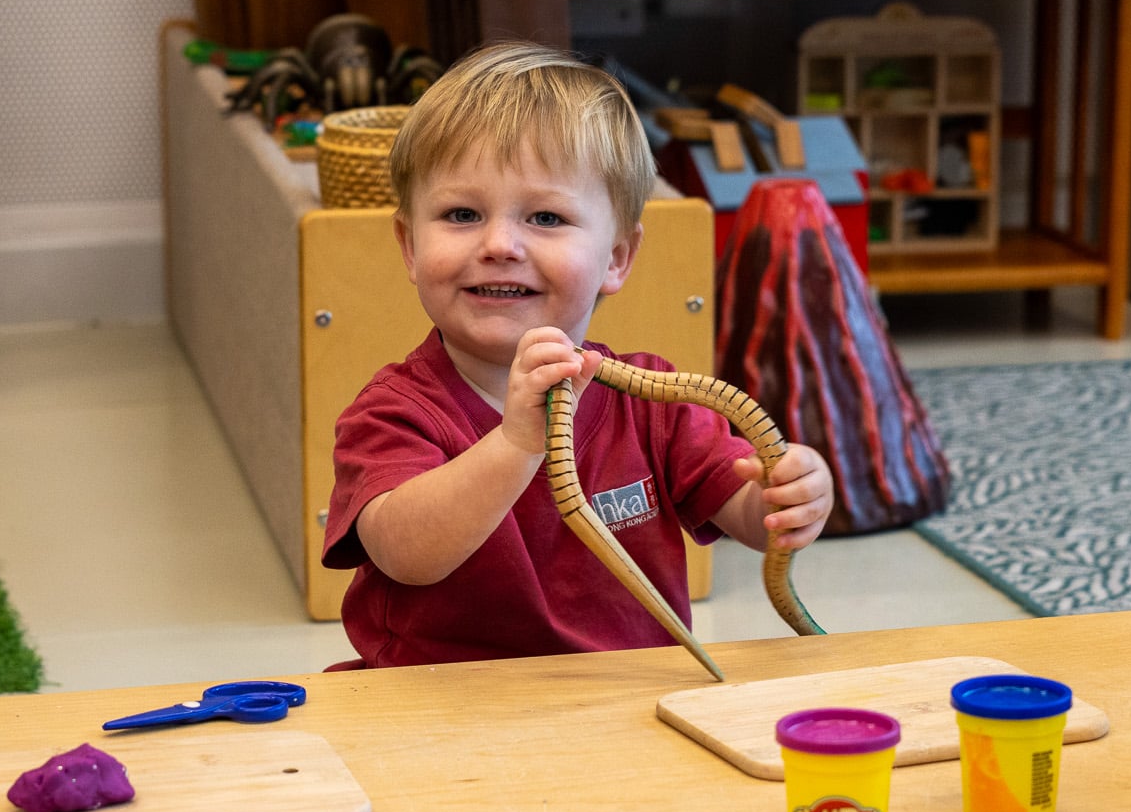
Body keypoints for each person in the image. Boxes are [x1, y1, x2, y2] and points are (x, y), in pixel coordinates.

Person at [323, 42, 835, 667]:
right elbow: (406, 554)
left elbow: (745, 511)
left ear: (616, 258)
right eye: (461, 214)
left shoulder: (655, 401)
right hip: (444, 707)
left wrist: (787, 500)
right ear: (409, 246)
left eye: (545, 217)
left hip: (628, 696)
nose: (500, 244)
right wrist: (515, 444)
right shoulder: (392, 412)